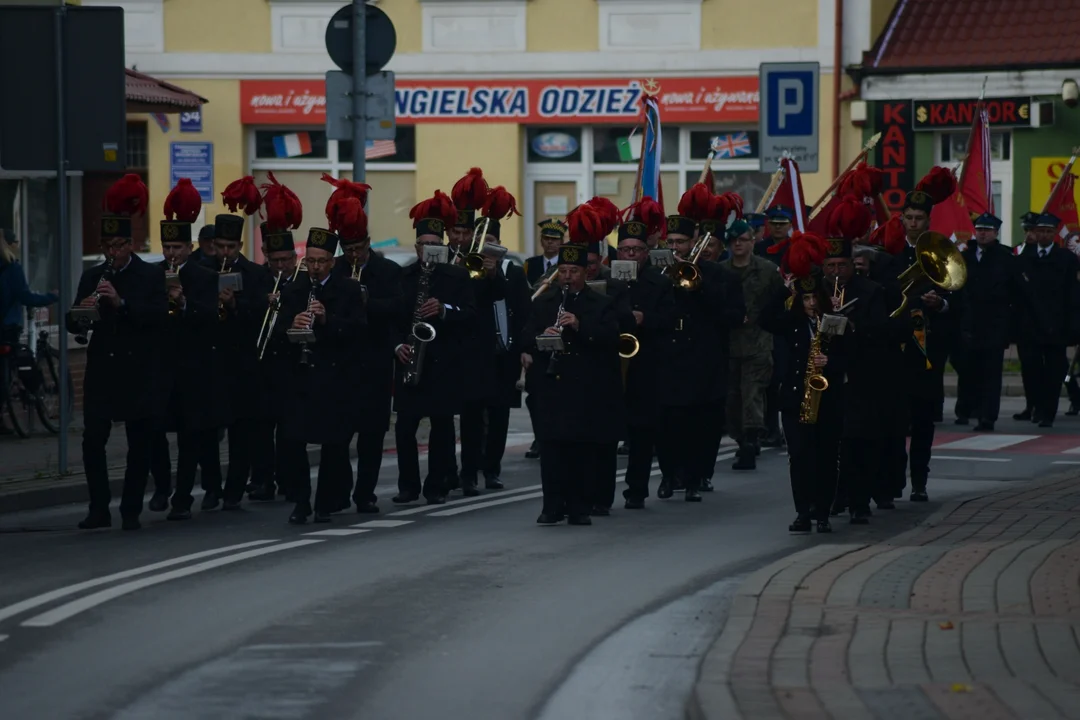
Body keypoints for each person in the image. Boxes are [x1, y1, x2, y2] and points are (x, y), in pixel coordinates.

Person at [67, 174, 168, 531]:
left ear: (131, 243)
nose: (112, 252)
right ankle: (98, 508)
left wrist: (120, 303)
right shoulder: (93, 275)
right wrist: (83, 314)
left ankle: (130, 509)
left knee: (138, 444)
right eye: (107, 245)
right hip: (102, 372)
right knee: (92, 439)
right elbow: (73, 318)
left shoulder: (150, 276)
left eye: (118, 245)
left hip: (137, 371)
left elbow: (157, 317)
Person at [521, 205, 623, 526]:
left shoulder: (600, 303)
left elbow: (611, 338)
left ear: (584, 273)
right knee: (551, 451)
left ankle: (578, 507)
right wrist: (543, 336)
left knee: (580, 451)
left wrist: (579, 326)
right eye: (562, 272)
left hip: (585, 388)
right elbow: (525, 337)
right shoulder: (545, 301)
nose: (567, 277)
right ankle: (552, 506)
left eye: (573, 272)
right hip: (551, 386)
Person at [656, 184, 746, 502]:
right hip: (669, 360)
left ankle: (696, 478)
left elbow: (735, 316)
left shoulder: (719, 276)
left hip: (705, 361)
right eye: (672, 242)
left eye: (682, 242)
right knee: (667, 423)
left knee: (701, 426)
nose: (677, 247)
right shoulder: (660, 276)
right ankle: (669, 475)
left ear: (695, 242)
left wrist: (699, 288)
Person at [278, 226, 367, 524]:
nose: (315, 267)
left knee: (332, 444)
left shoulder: (349, 289)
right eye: (311, 261)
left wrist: (327, 320)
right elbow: (278, 332)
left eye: (321, 261)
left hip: (333, 380)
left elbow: (358, 330)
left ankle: (325, 502)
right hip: (299, 379)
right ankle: (300, 500)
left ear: (332, 262)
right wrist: (294, 322)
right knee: (292, 441)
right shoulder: (293, 290)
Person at [324, 178, 403, 514]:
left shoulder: (387, 271)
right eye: (349, 249)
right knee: (338, 435)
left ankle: (365, 493)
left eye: (359, 249)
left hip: (375, 362)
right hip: (342, 363)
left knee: (371, 436)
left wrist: (365, 302)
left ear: (368, 243)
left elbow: (397, 308)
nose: (354, 255)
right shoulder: (337, 270)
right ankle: (340, 491)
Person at [392, 191, 476, 505]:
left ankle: (436, 485)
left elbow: (470, 315)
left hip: (443, 364)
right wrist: (398, 345)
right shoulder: (404, 276)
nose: (429, 250)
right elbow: (392, 320)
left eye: (435, 245)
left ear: (443, 246)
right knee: (404, 428)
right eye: (424, 244)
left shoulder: (457, 275)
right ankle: (408, 486)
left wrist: (443, 310)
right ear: (416, 247)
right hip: (411, 359)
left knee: (441, 428)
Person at [880, 168, 958, 503]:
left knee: (924, 421)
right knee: (895, 420)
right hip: (894, 350)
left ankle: (920, 481)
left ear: (928, 220)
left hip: (927, 352)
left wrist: (939, 304)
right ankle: (895, 478)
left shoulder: (941, 252)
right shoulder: (889, 252)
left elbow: (959, 298)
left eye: (919, 218)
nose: (913, 223)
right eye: (908, 217)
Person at [154, 179, 230, 520]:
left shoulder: (202, 275)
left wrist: (183, 303)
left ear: (188, 248)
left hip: (194, 370)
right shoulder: (152, 275)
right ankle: (161, 486)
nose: (171, 253)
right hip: (159, 368)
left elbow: (211, 318)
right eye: (167, 247)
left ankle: (182, 497)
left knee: (191, 438)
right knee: (154, 434)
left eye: (177, 247)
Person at [758, 234, 839, 533]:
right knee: (800, 456)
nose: (809, 304)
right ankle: (802, 512)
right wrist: (784, 290)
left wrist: (830, 363)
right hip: (795, 397)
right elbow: (764, 319)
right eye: (804, 299)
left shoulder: (833, 322)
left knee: (826, 457)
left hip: (828, 398)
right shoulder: (790, 322)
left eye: (813, 298)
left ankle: (823, 512)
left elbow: (851, 354)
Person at [213, 175, 274, 510]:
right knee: (206, 432)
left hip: (242, 364)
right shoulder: (200, 270)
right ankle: (210, 487)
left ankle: (233, 490)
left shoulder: (255, 274)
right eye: (220, 247)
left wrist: (236, 305)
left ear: (239, 247)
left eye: (230, 248)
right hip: (210, 363)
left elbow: (261, 311)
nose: (224, 253)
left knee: (241, 432)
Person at [610, 205, 674, 510]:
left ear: (646, 252)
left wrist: (644, 318)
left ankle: (636, 490)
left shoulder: (659, 283)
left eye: (636, 250)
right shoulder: (609, 282)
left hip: (646, 364)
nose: (630, 255)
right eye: (624, 250)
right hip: (610, 364)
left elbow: (670, 319)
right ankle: (602, 492)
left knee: (641, 431)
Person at [721, 218, 784, 471]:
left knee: (752, 393)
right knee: (732, 397)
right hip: (728, 343)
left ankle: (750, 440)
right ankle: (740, 437)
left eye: (743, 240)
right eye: (734, 240)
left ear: (752, 242)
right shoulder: (722, 271)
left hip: (758, 341)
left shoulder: (767, 270)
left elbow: (779, 301)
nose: (738, 244)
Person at [1014, 212, 1080, 428]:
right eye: (1039, 230)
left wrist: (1072, 327)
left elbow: (1072, 295)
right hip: (1029, 327)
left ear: (1054, 234)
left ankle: (1047, 413)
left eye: (1048, 231)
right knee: (1032, 371)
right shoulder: (1024, 259)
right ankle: (1036, 407)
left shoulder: (1066, 259)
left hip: (1056, 327)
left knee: (1053, 373)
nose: (1043, 235)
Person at [958, 212, 1017, 432]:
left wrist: (1009, 328)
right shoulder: (966, 257)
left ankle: (987, 417)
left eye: (987, 230)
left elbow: (1014, 293)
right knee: (970, 371)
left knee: (991, 375)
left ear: (995, 233)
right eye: (980, 229)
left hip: (994, 325)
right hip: (970, 324)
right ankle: (967, 410)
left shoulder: (1005, 258)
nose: (982, 234)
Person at [0, 227, 57, 433]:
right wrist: (51, 297)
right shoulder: (11, 268)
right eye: (15, 242)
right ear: (9, 245)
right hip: (7, 327)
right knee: (15, 367)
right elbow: (26, 297)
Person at [521, 217, 567, 460]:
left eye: (555, 240)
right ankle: (540, 437)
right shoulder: (530, 264)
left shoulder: (566, 265)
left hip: (559, 321)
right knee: (536, 394)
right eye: (547, 239)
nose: (550, 244)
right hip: (537, 323)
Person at [1013, 211, 1043, 421]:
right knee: (1028, 367)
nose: (1030, 234)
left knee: (1047, 367)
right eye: (1027, 230)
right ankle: (1031, 404)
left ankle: (1042, 406)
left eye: (1033, 230)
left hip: (1044, 320)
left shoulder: (1046, 254)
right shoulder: (1017, 252)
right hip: (1023, 321)